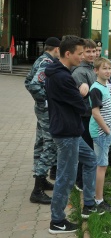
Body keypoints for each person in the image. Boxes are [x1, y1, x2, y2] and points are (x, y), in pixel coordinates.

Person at [45, 36, 101, 234]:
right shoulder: (62, 77)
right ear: (68, 54)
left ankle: (89, 203)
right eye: (79, 53)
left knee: (90, 159)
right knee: (66, 177)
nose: (82, 57)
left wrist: (78, 94)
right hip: (67, 133)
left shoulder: (59, 73)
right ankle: (57, 221)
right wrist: (84, 92)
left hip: (71, 130)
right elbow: (81, 106)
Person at [25, 37, 60, 204]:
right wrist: (44, 101)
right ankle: (37, 189)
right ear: (57, 49)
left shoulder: (40, 60)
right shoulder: (47, 62)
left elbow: (27, 81)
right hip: (46, 111)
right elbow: (33, 85)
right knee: (51, 144)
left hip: (41, 110)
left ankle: (41, 179)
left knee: (40, 142)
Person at [89, 57, 111, 212]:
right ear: (96, 70)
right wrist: (107, 130)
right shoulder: (96, 88)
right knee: (101, 165)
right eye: (104, 68)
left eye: (109, 68)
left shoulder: (104, 86)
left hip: (104, 131)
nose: (108, 71)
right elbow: (95, 113)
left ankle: (98, 195)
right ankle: (98, 200)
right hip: (100, 132)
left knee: (101, 164)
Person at [71, 39, 97, 191]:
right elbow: (85, 97)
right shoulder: (80, 71)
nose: (91, 54)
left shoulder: (91, 69)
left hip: (91, 115)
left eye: (93, 51)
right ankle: (79, 180)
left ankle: (84, 178)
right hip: (85, 116)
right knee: (85, 150)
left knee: (90, 148)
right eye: (88, 51)